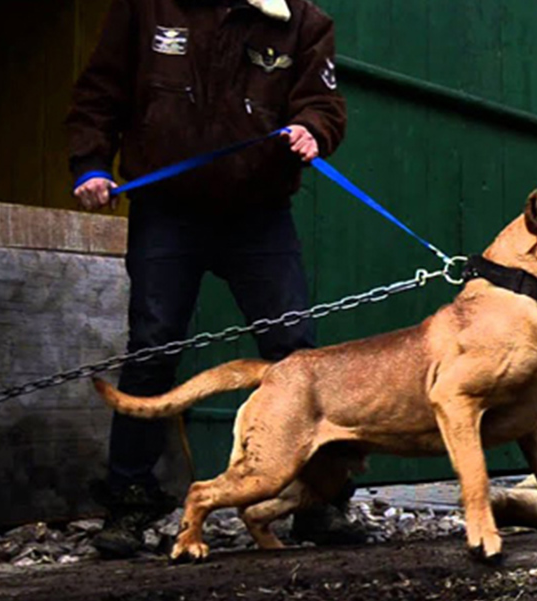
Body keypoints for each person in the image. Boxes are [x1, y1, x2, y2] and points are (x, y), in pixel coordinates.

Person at [66, 0, 368, 559]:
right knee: (152, 348)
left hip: (259, 214)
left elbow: (323, 103)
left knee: (293, 353)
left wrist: (311, 130)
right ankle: (129, 501)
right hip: (166, 209)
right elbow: (100, 92)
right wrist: (90, 163)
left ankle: (317, 500)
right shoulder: (148, 7)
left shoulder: (302, 20)